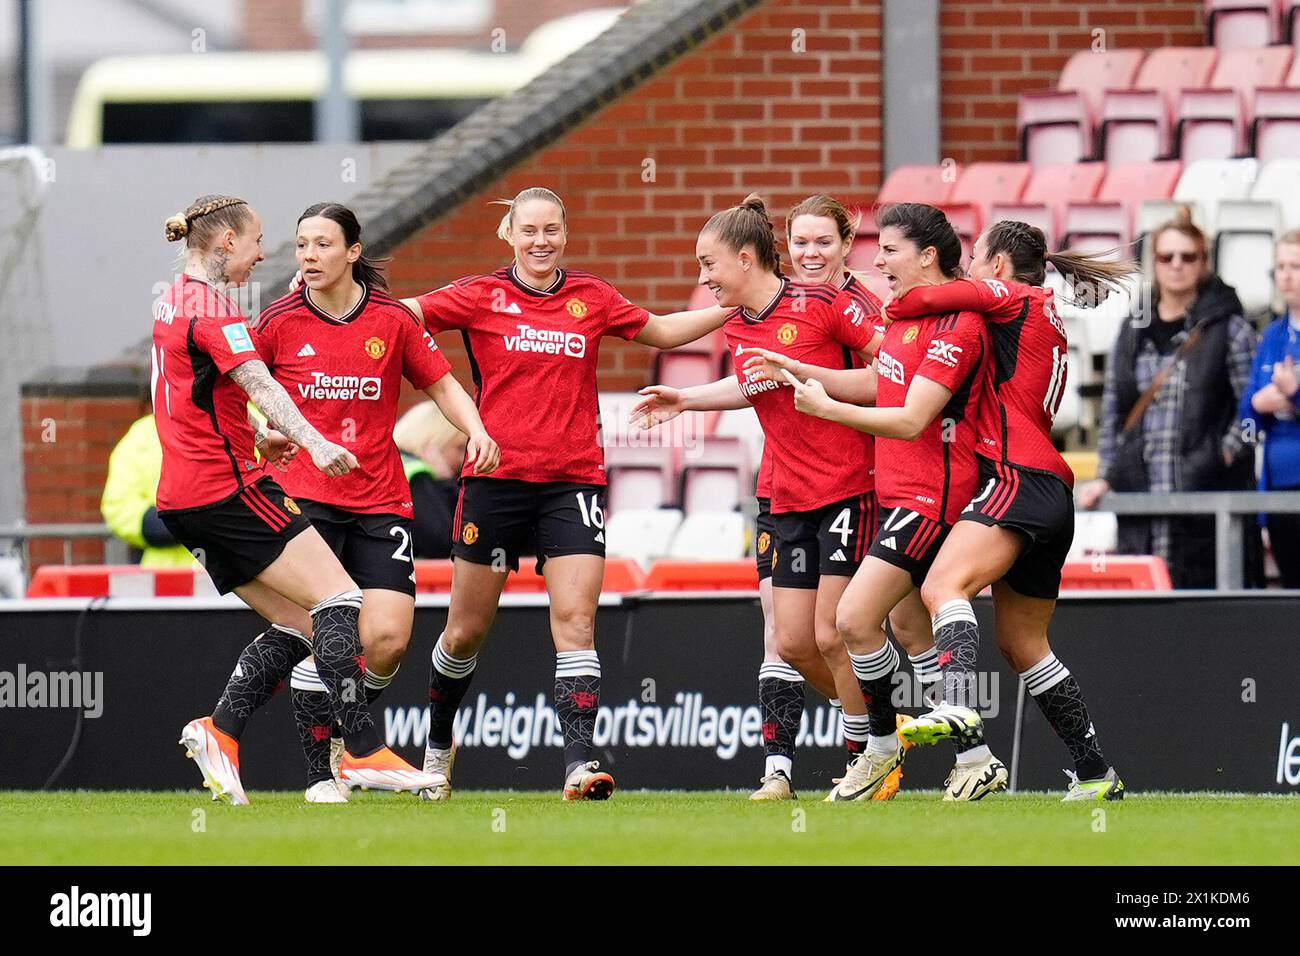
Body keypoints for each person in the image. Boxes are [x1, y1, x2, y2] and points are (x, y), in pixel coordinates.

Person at [408, 186, 730, 800]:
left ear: (565, 232)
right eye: (528, 230)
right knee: (464, 633)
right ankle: (437, 750)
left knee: (577, 621)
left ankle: (578, 765)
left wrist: (735, 305)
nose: (540, 241)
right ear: (508, 235)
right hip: (495, 483)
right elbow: (402, 317)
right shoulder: (478, 294)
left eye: (551, 229)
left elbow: (662, 332)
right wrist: (334, 299)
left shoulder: (592, 296)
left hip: (573, 481)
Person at [632, 194, 930, 801]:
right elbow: (754, 381)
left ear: (745, 258)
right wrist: (686, 399)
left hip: (851, 487)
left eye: (708, 264)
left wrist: (816, 383)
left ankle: (873, 752)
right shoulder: (738, 323)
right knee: (792, 641)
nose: (703, 277)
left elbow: (894, 372)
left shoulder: (826, 304)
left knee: (833, 632)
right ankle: (877, 734)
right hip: (785, 495)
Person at [155, 193, 443, 804]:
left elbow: (194, 397)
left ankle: (221, 731)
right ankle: (362, 752)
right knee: (340, 598)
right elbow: (261, 385)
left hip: (183, 497)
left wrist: (258, 434)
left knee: (305, 622)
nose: (266, 255)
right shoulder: (216, 310)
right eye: (258, 241)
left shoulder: (170, 299)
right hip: (227, 488)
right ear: (227, 240)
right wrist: (313, 441)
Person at [745, 203, 998, 801]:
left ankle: (879, 748)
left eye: (827, 242)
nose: (875, 260)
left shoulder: (924, 317)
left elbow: (910, 414)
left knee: (853, 626)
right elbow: (879, 381)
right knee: (874, 628)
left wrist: (825, 405)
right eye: (799, 242)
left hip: (893, 490)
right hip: (865, 488)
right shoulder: (905, 317)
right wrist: (793, 368)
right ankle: (957, 753)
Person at [251, 202, 498, 803]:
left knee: (386, 639)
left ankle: (342, 742)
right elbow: (242, 385)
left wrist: (479, 431)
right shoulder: (279, 320)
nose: (308, 256)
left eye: (322, 245)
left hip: (380, 498)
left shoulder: (390, 320)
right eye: (301, 244)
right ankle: (322, 773)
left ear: (353, 252)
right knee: (321, 634)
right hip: (306, 498)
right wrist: (263, 431)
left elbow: (441, 383)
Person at [881, 220, 1131, 800]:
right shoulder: (1044, 314)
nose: (967, 268)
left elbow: (928, 295)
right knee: (1023, 644)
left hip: (1017, 477)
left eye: (973, 259)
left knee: (943, 586)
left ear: (997, 266)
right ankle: (1097, 774)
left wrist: (897, 306)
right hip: (1052, 490)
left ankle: (957, 707)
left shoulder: (1014, 297)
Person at [1079, 208, 1260, 589]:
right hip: (1142, 503)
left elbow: (1252, 415)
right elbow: (1114, 412)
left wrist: (1224, 454)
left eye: (1188, 256)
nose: (1176, 265)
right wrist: (1108, 475)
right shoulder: (1132, 330)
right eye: (1166, 257)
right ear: (1154, 263)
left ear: (1203, 263)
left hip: (1208, 504)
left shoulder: (1231, 330)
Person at [1241, 230, 1300, 587]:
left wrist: (1294, 396)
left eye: (1296, 265)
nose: (1287, 274)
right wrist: (1259, 405)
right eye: (1280, 266)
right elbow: (1246, 412)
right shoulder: (1272, 334)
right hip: (1277, 486)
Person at [100, 412, 195, 567]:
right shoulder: (143, 434)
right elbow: (118, 506)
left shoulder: (243, 418)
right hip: (164, 578)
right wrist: (167, 525)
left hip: (237, 578)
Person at [392, 401, 468, 559]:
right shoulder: (417, 474)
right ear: (433, 442)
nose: (464, 459)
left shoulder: (395, 465)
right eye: (460, 448)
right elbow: (439, 543)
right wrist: (446, 484)